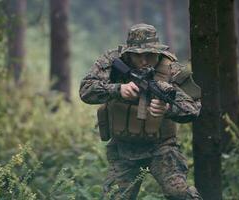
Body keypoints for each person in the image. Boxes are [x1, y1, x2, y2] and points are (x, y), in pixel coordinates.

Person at [79, 24, 202, 200]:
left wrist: (168, 108)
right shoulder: (112, 60)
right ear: (128, 53)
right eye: (137, 56)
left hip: (162, 148)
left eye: (150, 55)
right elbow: (85, 90)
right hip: (123, 149)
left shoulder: (171, 68)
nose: (144, 61)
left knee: (180, 194)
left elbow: (194, 106)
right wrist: (117, 89)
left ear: (158, 52)